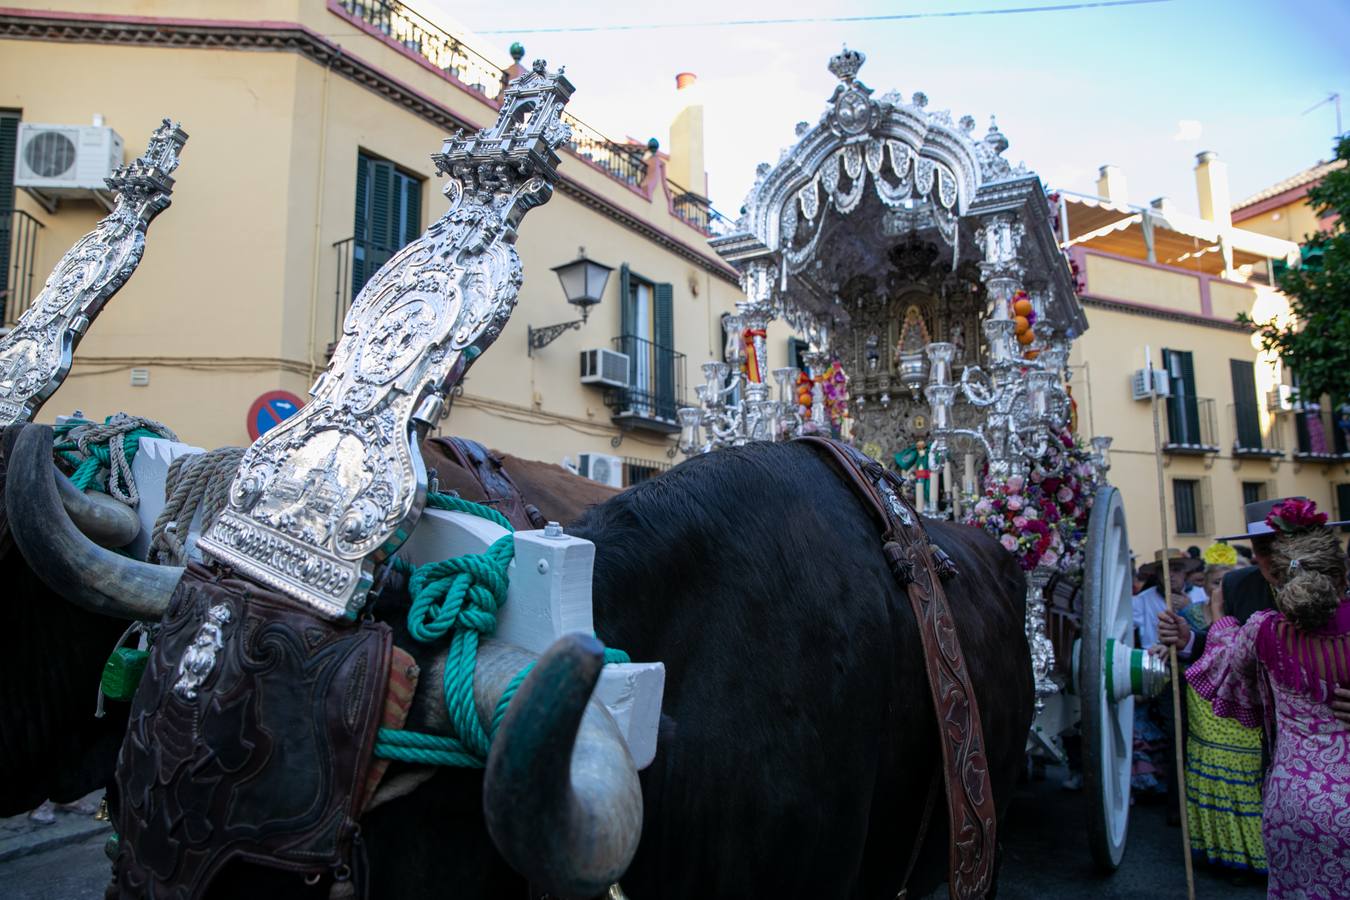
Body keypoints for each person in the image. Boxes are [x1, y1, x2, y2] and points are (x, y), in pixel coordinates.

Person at [1177, 499, 1350, 897]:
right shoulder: (1258, 613)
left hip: (1293, 798)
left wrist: (1219, 619)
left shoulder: (1263, 629)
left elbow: (1223, 672)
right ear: (1340, 572)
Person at [1172, 543, 1267, 877]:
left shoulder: (1260, 618)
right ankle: (1225, 851)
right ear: (1206, 585)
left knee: (1247, 779)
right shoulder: (1191, 615)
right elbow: (1199, 647)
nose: (1221, 590)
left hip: (1248, 709)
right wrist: (1183, 642)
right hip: (1207, 699)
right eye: (1216, 583)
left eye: (1227, 583)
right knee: (1213, 773)